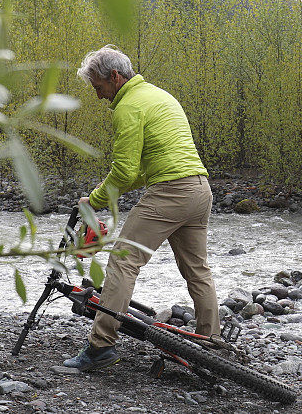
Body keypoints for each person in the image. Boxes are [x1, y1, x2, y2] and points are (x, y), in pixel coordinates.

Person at [63, 45, 220, 371]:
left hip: (172, 193)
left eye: (99, 87)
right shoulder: (160, 96)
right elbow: (138, 173)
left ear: (115, 77)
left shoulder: (129, 107)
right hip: (200, 189)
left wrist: (93, 202)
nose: (98, 95)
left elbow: (123, 172)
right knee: (198, 271)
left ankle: (99, 347)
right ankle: (211, 345)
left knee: (123, 261)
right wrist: (105, 197)